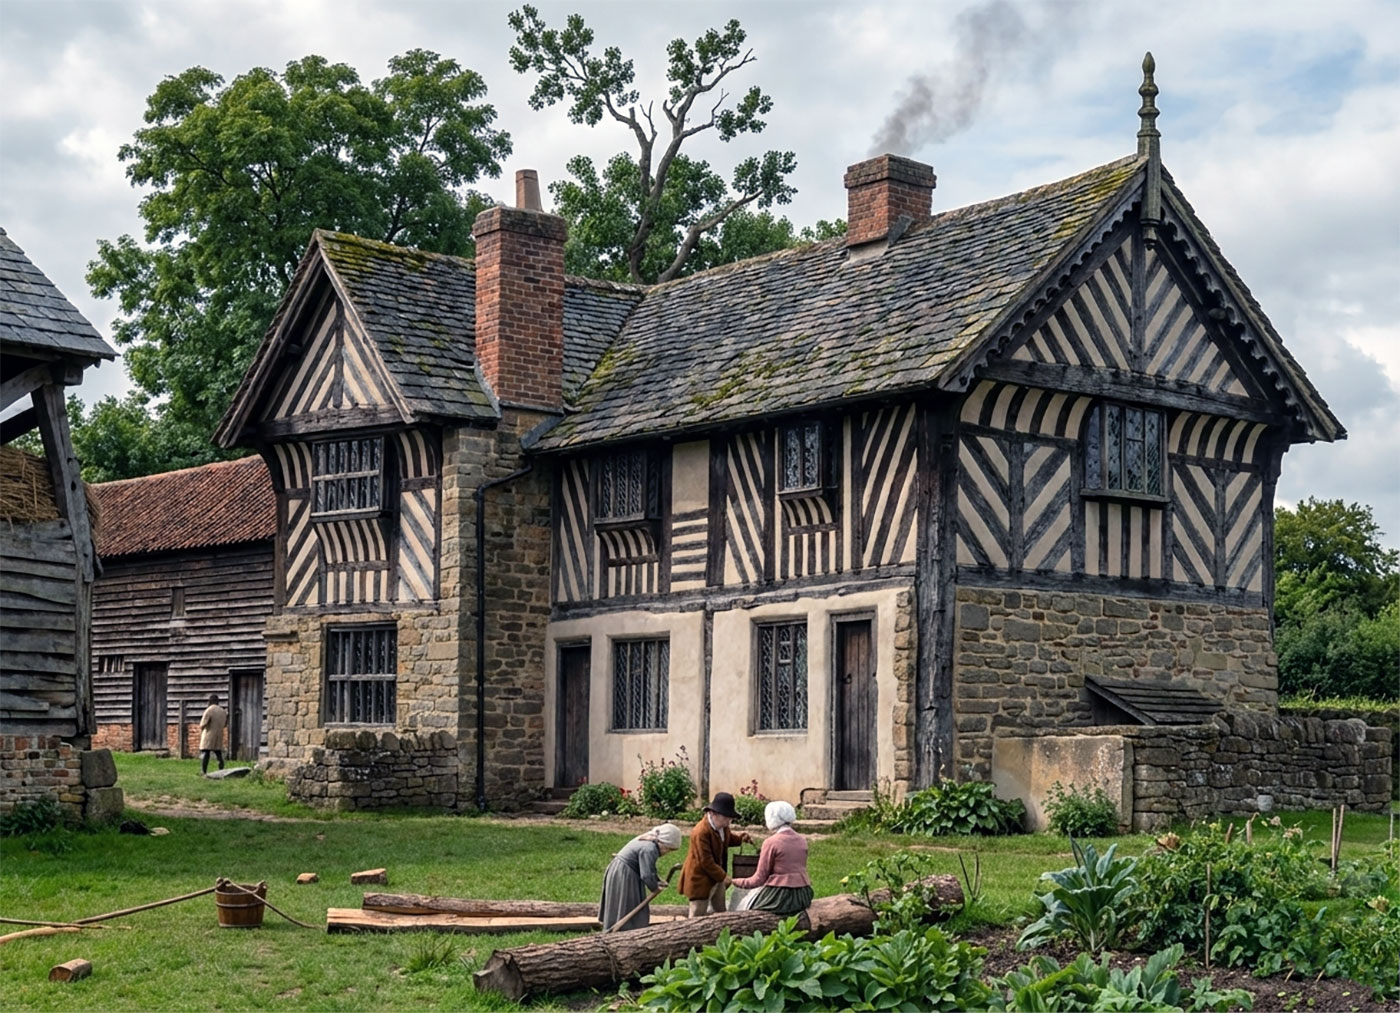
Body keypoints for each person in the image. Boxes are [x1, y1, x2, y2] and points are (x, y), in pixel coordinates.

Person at [731, 801, 813, 914]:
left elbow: (758, 879)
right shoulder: (802, 841)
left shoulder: (771, 843)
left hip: (779, 896)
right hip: (803, 894)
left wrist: (733, 881)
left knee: (742, 903)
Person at [679, 792, 752, 917]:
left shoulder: (722, 827)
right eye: (725, 818)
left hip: (716, 878)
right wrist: (724, 877)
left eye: (730, 818)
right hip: (700, 880)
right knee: (697, 914)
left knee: (720, 912)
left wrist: (740, 838)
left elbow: (725, 839)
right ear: (712, 813)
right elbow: (705, 861)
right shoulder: (701, 832)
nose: (728, 822)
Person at [599, 824, 682, 932]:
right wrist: (654, 887)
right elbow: (646, 874)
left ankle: (620, 929)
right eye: (668, 849)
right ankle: (623, 931)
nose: (667, 853)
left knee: (626, 904)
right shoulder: (649, 848)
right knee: (627, 904)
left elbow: (649, 868)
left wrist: (657, 881)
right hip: (625, 874)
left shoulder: (650, 841)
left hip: (623, 871)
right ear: (663, 843)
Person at [198, 694, 227, 775]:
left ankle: (203, 771)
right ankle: (221, 770)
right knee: (218, 754)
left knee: (206, 753)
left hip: (209, 734)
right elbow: (225, 724)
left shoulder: (209, 710)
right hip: (219, 734)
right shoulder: (222, 711)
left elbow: (203, 723)